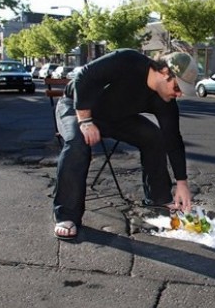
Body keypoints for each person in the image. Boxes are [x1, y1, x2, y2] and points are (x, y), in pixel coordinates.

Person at [52, 49, 198, 239]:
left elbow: (173, 139)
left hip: (115, 118)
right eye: (178, 87)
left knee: (154, 137)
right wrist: (85, 121)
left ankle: (158, 199)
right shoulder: (127, 60)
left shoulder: (165, 102)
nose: (179, 94)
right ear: (164, 72)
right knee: (78, 142)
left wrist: (182, 183)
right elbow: (83, 77)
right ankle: (66, 215)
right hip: (76, 108)